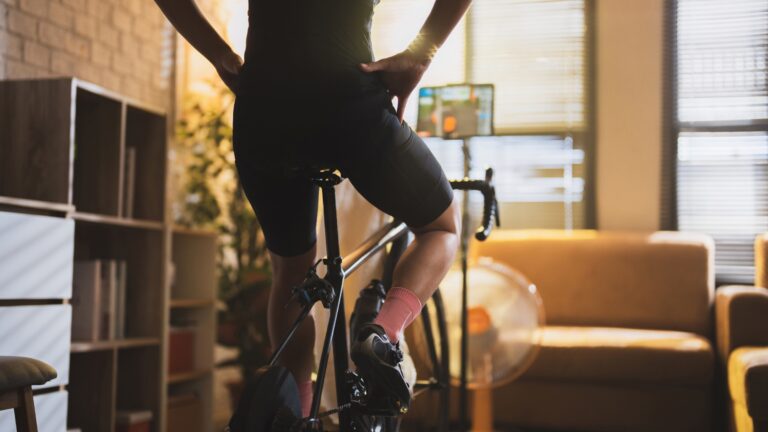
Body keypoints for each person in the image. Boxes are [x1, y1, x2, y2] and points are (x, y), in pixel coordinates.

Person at [155, 0, 470, 418]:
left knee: (291, 274)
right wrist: (420, 54)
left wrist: (220, 55)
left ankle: (296, 417)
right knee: (441, 227)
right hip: (349, 103)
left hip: (262, 112)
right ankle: (384, 333)